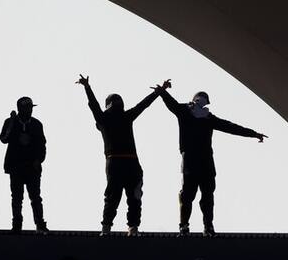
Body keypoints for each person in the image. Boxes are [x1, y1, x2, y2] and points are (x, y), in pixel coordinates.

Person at [154, 81, 267, 236]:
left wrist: (162, 91)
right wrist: (253, 133)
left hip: (191, 162)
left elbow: (171, 103)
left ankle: (185, 226)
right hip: (205, 163)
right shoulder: (208, 118)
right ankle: (207, 227)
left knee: (189, 195)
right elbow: (231, 127)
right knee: (205, 196)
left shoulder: (185, 112)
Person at [77, 74, 161, 236]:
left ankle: (106, 228)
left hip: (114, 162)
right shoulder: (126, 116)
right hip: (131, 162)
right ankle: (133, 227)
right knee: (134, 198)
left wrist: (87, 87)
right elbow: (142, 105)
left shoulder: (103, 118)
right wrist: (158, 92)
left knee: (112, 197)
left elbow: (93, 105)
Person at [0, 96, 48, 233]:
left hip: (32, 167)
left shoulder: (37, 124)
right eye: (27, 108)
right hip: (16, 167)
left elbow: (42, 145)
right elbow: (4, 139)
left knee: (36, 198)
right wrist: (12, 122)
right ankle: (17, 225)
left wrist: (39, 160)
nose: (30, 111)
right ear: (20, 109)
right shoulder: (10, 122)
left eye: (31, 108)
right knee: (16, 197)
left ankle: (40, 224)